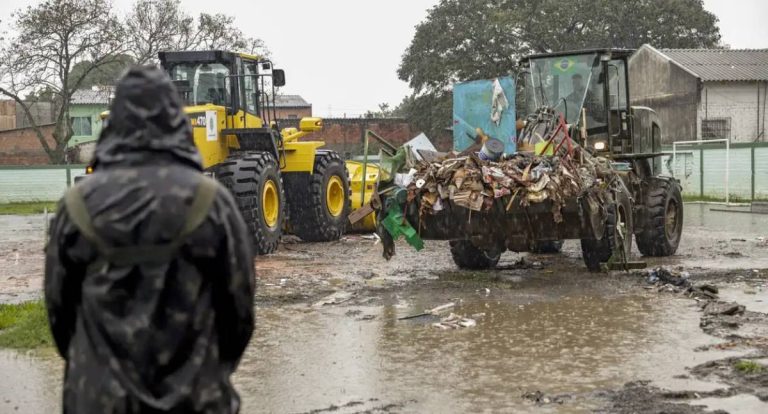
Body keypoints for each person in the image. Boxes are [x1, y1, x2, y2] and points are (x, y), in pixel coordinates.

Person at [44, 66, 255, 414]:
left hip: (98, 402)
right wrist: (210, 370)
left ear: (115, 123)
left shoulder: (76, 205)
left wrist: (95, 369)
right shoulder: (212, 203)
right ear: (176, 119)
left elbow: (60, 314)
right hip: (195, 400)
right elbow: (239, 311)